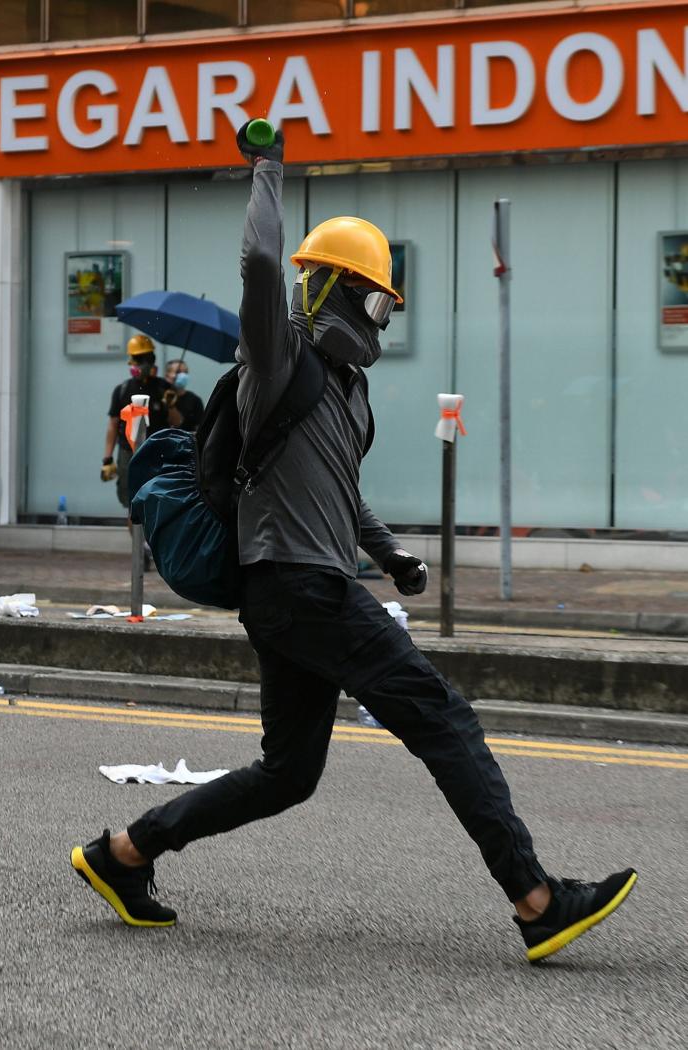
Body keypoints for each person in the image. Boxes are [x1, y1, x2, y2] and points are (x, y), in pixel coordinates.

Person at [72, 125, 637, 961]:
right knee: (446, 720)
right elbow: (263, 266)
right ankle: (537, 900)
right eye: (371, 298)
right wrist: (268, 170)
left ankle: (122, 854)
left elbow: (340, 493)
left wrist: (389, 553)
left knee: (288, 774)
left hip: (301, 592)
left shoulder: (348, 393)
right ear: (330, 288)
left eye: (385, 304)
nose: (378, 314)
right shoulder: (278, 356)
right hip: (298, 587)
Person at [101, 334, 174, 568]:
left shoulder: (164, 389)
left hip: (157, 454)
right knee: (132, 505)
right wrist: (107, 458)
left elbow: (176, 422)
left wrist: (170, 404)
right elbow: (113, 425)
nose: (141, 364)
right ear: (130, 361)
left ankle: (155, 547)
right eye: (137, 359)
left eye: (146, 358)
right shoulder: (122, 390)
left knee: (158, 502)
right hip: (128, 454)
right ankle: (140, 550)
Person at [163, 359, 205, 432]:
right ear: (167, 375)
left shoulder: (195, 400)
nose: (183, 375)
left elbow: (200, 429)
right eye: (178, 372)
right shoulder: (159, 395)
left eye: (185, 372)